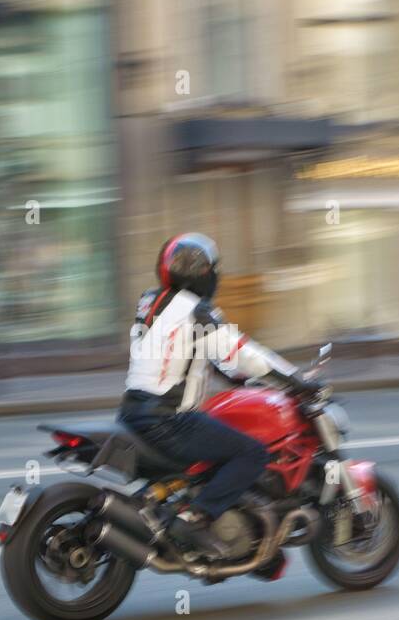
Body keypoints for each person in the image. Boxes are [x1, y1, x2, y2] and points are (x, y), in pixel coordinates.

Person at [118, 233, 319, 559]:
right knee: (252, 453)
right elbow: (245, 354)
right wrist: (295, 380)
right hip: (168, 421)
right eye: (213, 269)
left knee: (216, 446)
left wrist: (240, 378)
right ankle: (195, 517)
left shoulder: (151, 302)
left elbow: (195, 355)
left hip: (133, 413)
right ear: (202, 274)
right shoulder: (197, 311)